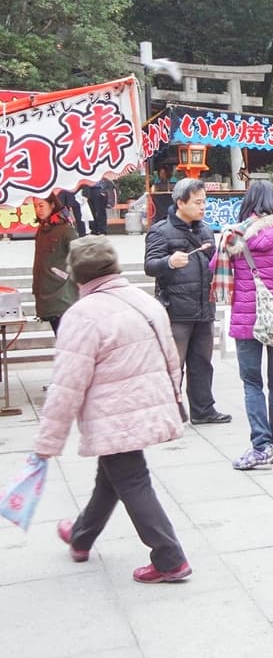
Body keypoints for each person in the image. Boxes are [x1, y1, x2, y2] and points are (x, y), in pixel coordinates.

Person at [34, 236, 192, 584]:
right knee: (113, 474)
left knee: (131, 478)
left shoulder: (81, 315)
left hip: (115, 413)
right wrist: (175, 399)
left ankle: (170, 558)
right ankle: (81, 536)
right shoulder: (143, 300)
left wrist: (47, 442)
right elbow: (172, 359)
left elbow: (66, 385)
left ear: (77, 276)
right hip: (144, 404)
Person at [213, 181, 273, 470]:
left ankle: (260, 446)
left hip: (246, 318)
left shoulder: (233, 235)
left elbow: (215, 269)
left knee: (252, 383)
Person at [144, 178, 232, 426]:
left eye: (204, 202)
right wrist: (169, 262)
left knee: (202, 362)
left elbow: (215, 264)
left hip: (204, 305)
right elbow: (150, 266)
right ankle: (167, 412)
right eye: (197, 202)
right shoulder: (160, 231)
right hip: (176, 309)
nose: (203, 207)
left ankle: (203, 409)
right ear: (180, 202)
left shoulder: (205, 230)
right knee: (173, 365)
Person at [31, 192, 78, 335]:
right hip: (46, 292)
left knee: (68, 340)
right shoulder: (42, 230)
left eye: (41, 205)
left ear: (52, 204)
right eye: (35, 206)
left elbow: (79, 259)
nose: (38, 210)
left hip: (63, 295)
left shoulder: (65, 230)